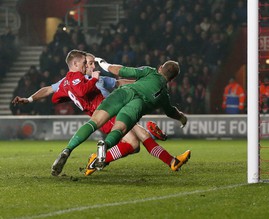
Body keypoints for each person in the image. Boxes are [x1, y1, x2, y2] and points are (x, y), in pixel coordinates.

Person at [12, 50, 169, 176]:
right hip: (108, 113)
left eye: (94, 63)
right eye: (90, 63)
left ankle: (99, 158)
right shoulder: (83, 80)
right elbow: (51, 89)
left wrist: (143, 84)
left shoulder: (89, 79)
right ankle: (167, 156)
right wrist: (30, 98)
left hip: (115, 110)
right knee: (135, 142)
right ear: (83, 64)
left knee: (135, 144)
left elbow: (119, 82)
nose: (94, 66)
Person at [51, 57, 190, 176]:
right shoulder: (164, 96)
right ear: (173, 79)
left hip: (122, 95)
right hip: (136, 105)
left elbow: (120, 71)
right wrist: (182, 118)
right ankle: (104, 148)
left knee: (96, 124)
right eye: (90, 63)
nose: (92, 65)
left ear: (160, 68)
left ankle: (68, 150)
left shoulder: (150, 71)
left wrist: (103, 63)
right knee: (127, 134)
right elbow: (171, 111)